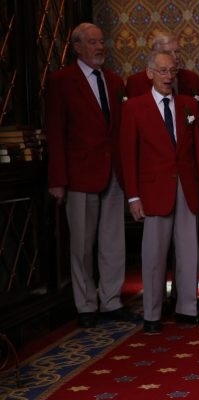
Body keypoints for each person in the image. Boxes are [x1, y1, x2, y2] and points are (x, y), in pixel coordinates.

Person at [45, 22, 135, 328]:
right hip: (79, 175)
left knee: (113, 242)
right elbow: (55, 133)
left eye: (101, 41)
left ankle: (111, 301)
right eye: (93, 42)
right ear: (77, 47)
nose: (99, 47)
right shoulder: (61, 81)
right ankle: (85, 305)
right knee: (82, 245)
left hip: (113, 174)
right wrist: (57, 180)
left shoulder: (114, 80)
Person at [120, 50, 199, 333]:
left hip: (187, 187)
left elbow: (198, 151)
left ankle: (187, 309)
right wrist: (133, 196)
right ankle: (152, 315)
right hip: (153, 191)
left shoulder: (188, 105)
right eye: (162, 71)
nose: (168, 76)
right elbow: (128, 157)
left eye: (172, 71)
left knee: (189, 252)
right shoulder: (135, 108)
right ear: (149, 73)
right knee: (154, 255)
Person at [125, 31, 199, 105]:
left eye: (177, 52)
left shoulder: (192, 78)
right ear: (155, 54)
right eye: (168, 53)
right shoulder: (136, 82)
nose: (174, 57)